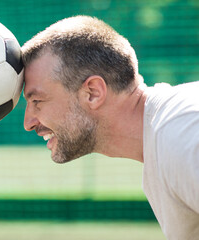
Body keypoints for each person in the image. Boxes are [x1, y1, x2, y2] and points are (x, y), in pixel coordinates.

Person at [21, 15, 199, 239]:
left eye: (37, 101)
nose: (29, 123)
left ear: (93, 93)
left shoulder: (181, 135)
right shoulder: (166, 137)